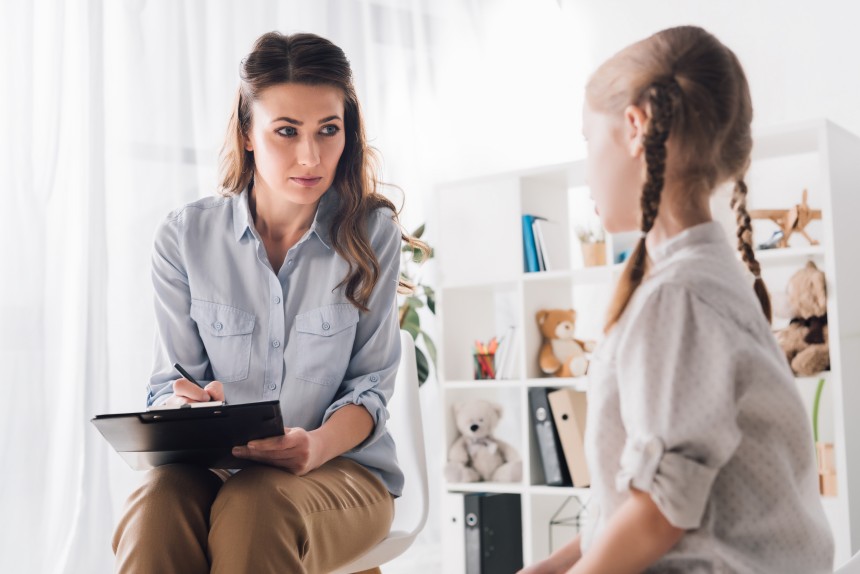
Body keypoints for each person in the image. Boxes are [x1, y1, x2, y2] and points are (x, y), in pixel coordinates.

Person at [520, 26, 834, 574]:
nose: (588, 166)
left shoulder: (679, 299)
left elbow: (661, 513)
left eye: (588, 140)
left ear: (635, 127)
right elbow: (640, 498)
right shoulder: (701, 280)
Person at [112, 31, 425, 574]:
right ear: (248, 133)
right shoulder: (185, 238)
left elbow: (369, 389)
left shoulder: (371, 233)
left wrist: (316, 445)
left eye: (329, 130)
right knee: (155, 505)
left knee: (256, 506)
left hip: (344, 471)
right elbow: (171, 382)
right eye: (286, 131)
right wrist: (185, 406)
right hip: (217, 470)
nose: (311, 156)